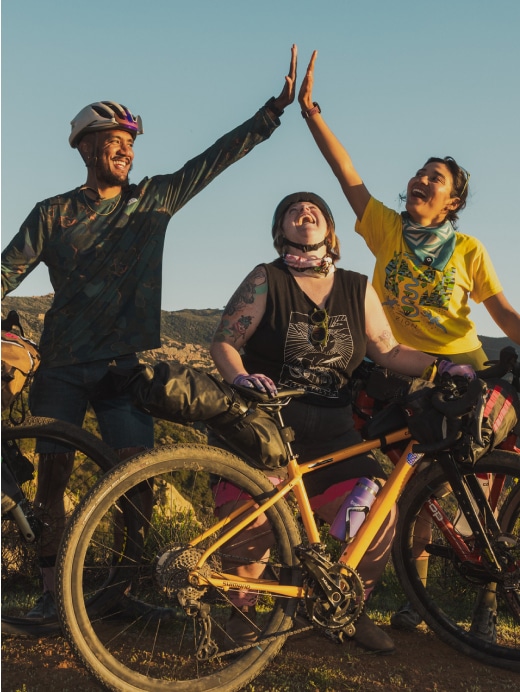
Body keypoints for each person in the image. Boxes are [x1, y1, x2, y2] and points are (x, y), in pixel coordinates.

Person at [0, 46, 297, 619]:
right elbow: (8, 270)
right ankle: (49, 595)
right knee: (52, 482)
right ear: (86, 148)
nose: (126, 150)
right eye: (114, 140)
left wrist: (272, 111)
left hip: (126, 365)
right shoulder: (52, 213)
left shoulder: (153, 200)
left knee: (135, 475)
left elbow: (214, 160)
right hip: (61, 361)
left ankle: (124, 590)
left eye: (131, 143)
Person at [297, 50, 520, 636]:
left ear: (453, 202)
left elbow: (502, 313)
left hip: (463, 377)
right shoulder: (386, 228)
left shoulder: (470, 250)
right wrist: (312, 112)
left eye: (436, 179)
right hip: (398, 376)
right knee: (411, 490)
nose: (422, 180)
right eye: (420, 173)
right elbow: (347, 175)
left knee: (480, 500)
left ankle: (487, 609)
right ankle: (413, 604)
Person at [210, 191, 473, 654]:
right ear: (280, 232)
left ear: (330, 230)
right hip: (267, 426)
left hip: (334, 432)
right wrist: (241, 376)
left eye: (314, 209)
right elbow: (225, 339)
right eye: (292, 210)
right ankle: (241, 614)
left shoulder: (356, 286)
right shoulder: (266, 278)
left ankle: (347, 611)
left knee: (377, 515)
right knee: (250, 518)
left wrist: (441, 366)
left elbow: (388, 350)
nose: (303, 212)